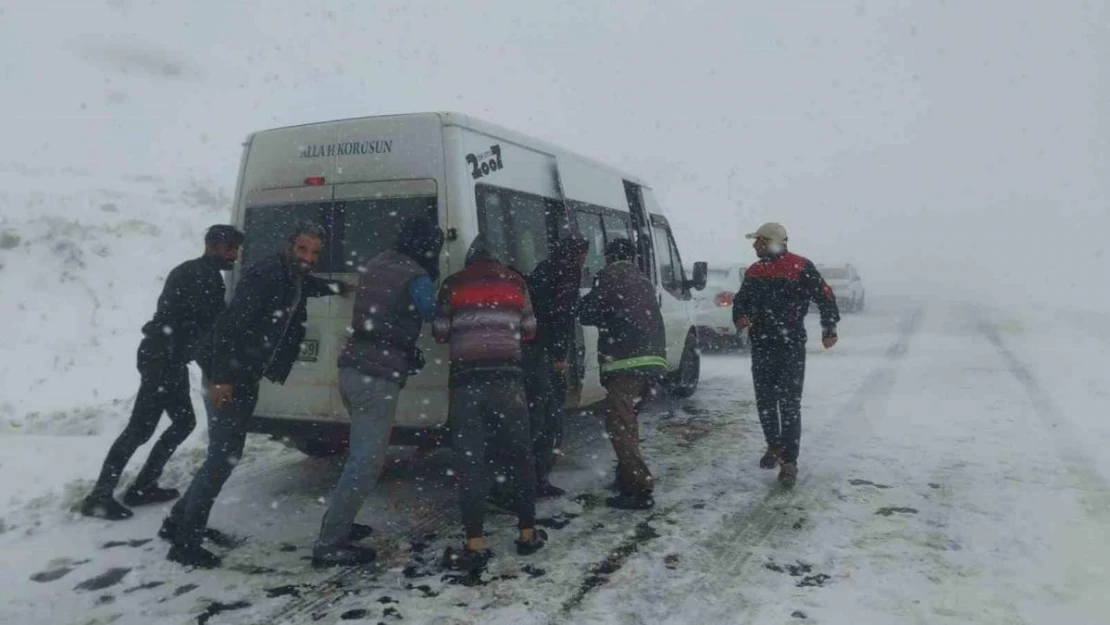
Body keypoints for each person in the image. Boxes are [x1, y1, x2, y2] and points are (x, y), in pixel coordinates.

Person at [161, 222, 349, 568]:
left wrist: (342, 286)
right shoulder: (267, 274)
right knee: (223, 456)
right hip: (228, 374)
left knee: (224, 453)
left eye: (314, 253)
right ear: (289, 246)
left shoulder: (292, 275)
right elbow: (231, 327)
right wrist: (222, 379)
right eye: (303, 250)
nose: (308, 258)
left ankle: (178, 522)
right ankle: (185, 542)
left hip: (241, 374)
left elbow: (309, 285)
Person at [80, 225, 244, 521]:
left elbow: (199, 327)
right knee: (141, 428)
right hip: (161, 357)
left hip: (167, 356)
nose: (234, 255)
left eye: (235, 249)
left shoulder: (200, 273)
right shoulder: (202, 277)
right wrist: (218, 372)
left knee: (182, 422)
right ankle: (99, 496)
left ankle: (143, 486)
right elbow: (204, 328)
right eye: (229, 248)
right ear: (212, 246)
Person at [312, 218, 445, 568]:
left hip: (352, 366)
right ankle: (330, 543)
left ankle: (338, 522)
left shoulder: (378, 262)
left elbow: (382, 313)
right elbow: (435, 314)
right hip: (377, 375)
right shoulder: (415, 276)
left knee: (359, 453)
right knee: (367, 462)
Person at [433, 235, 548, 574]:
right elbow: (529, 330)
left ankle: (475, 543)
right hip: (508, 382)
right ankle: (527, 534)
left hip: (467, 383)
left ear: (470, 259)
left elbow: (440, 332)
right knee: (520, 455)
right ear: (496, 258)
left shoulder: (453, 284)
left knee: (471, 461)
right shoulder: (516, 282)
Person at [732, 222, 839, 488]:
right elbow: (741, 301)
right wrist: (741, 317)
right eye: (755, 242)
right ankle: (774, 445)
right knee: (765, 400)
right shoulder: (754, 271)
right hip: (762, 345)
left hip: (790, 345)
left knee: (789, 404)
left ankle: (789, 462)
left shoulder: (800, 267)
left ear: (773, 242)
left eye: (759, 241)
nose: (754, 246)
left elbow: (824, 296)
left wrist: (829, 328)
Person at [489, 235, 589, 507]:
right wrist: (559, 356)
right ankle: (524, 482)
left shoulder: (545, 268)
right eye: (583, 254)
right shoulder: (567, 273)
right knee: (546, 420)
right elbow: (561, 315)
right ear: (578, 255)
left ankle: (519, 481)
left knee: (533, 417)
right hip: (542, 353)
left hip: (526, 349)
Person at [579, 238, 667, 511]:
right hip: (652, 363)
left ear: (609, 256)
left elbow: (587, 313)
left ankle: (640, 490)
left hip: (626, 364)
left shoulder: (610, 277)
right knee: (629, 424)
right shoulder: (642, 280)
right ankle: (626, 477)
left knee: (621, 429)